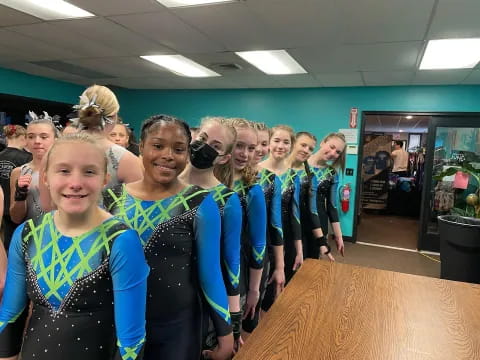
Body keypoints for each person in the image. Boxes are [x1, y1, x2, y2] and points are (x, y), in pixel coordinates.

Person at [0, 133, 149, 360]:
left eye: (89, 172)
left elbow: (131, 339)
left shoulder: (121, 241)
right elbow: (11, 314)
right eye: (64, 171)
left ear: (104, 179)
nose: (76, 183)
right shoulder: (27, 234)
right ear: (46, 177)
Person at [103, 114, 233, 360]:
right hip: (116, 321)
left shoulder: (200, 202)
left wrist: (225, 332)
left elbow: (210, 272)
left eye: (179, 149)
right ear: (141, 147)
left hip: (177, 326)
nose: (168, 155)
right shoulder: (112, 198)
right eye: (158, 145)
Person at [179, 116, 243, 351]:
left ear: (224, 157)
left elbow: (230, 260)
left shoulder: (227, 200)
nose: (204, 146)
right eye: (202, 138)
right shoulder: (163, 185)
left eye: (215, 146)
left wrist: (232, 321)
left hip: (198, 302)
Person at [41, 85, 143, 211]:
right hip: (108, 229)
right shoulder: (127, 161)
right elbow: (135, 212)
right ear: (114, 117)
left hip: (58, 228)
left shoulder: (52, 153)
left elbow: (47, 207)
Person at [223, 118, 266, 335]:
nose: (245, 154)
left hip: (235, 273)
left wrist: (253, 290)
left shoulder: (252, 190)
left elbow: (259, 243)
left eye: (251, 148)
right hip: (199, 273)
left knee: (228, 336)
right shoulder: (201, 184)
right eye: (239, 145)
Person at [259, 125, 302, 284]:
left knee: (278, 287)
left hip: (284, 237)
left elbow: (295, 213)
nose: (281, 146)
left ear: (291, 146)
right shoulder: (255, 172)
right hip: (259, 235)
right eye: (276, 140)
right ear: (269, 143)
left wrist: (299, 250)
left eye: (286, 142)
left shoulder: (292, 176)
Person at [250, 122, 284, 312]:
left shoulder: (272, 180)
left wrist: (280, 266)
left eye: (264, 143)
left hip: (259, 256)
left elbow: (276, 225)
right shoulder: (222, 177)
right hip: (226, 259)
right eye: (253, 144)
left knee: (252, 315)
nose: (259, 149)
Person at [9, 114, 58, 235]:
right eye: (31, 137)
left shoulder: (66, 171)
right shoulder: (19, 172)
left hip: (61, 237)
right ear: (26, 141)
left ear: (55, 140)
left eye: (44, 137)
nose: (37, 141)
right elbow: (16, 218)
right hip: (30, 238)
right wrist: (20, 196)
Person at [307, 132, 347, 260]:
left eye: (338, 152)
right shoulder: (300, 165)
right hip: (297, 220)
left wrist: (339, 236)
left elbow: (332, 206)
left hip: (319, 222)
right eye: (331, 146)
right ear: (323, 142)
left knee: (311, 262)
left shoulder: (331, 173)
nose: (333, 153)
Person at [0, 125, 32, 249]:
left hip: (3, 209)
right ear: (23, 138)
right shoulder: (27, 159)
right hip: (19, 207)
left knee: (6, 245)